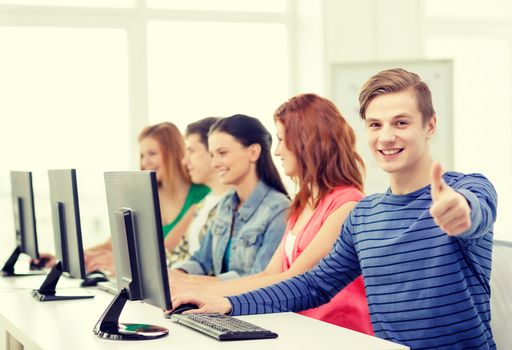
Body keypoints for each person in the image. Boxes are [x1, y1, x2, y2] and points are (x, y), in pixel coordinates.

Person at [170, 69, 498, 349]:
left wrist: (460, 212)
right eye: (375, 125)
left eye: (400, 122)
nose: (386, 137)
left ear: (429, 126)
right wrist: (227, 303)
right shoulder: (365, 215)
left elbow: (475, 212)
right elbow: (313, 285)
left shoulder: (467, 189)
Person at [170, 94, 373, 335]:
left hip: (335, 332)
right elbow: (271, 274)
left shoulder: (347, 204)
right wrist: (191, 287)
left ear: (307, 142)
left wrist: (204, 291)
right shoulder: (303, 203)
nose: (276, 151)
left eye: (281, 140)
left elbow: (295, 280)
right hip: (296, 327)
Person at [170, 114, 290, 281]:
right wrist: (174, 276)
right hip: (218, 301)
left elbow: (260, 279)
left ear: (253, 152)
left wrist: (195, 283)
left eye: (222, 153)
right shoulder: (225, 205)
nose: (214, 163)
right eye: (212, 155)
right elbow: (202, 261)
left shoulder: (279, 210)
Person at [85, 122, 210, 273]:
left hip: (177, 280)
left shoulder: (204, 195)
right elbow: (112, 245)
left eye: (152, 154)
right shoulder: (144, 197)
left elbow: (164, 252)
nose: (144, 163)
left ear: (173, 153)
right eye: (142, 155)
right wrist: (63, 260)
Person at [167, 117, 231, 265]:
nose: (185, 161)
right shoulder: (203, 203)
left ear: (212, 150)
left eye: (191, 151)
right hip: (183, 280)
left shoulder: (233, 203)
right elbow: (178, 254)